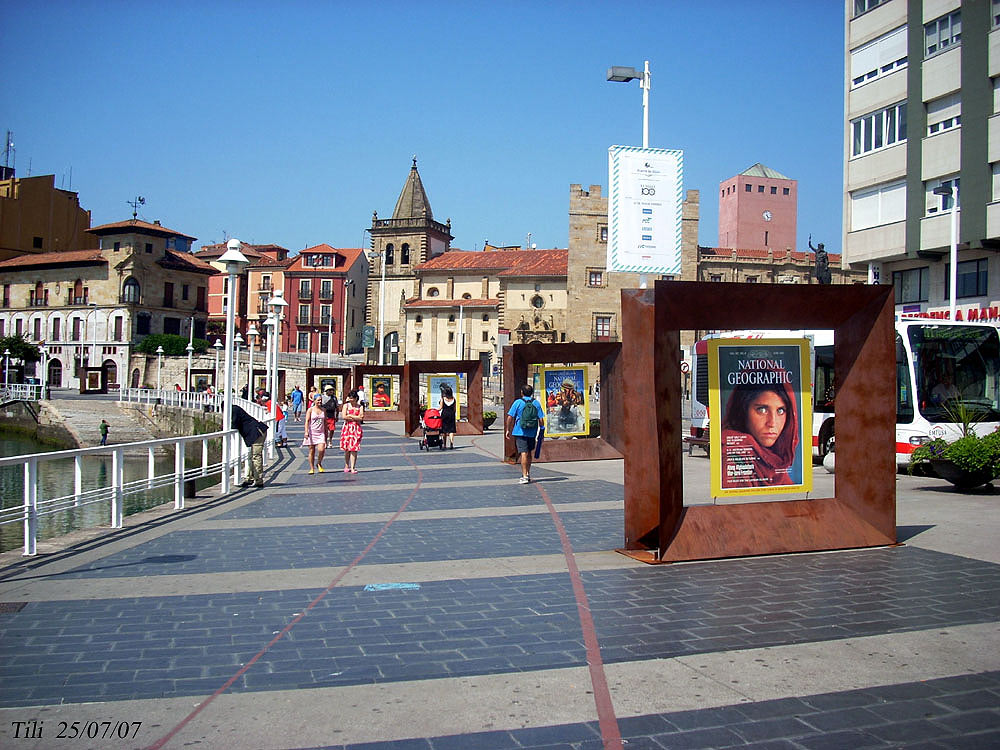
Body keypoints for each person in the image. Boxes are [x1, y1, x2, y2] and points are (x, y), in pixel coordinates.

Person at [720, 378, 799, 489]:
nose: (772, 423)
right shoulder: (734, 454)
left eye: (780, 411)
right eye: (762, 410)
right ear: (743, 411)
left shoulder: (776, 463)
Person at [505, 384, 545, 484]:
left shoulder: (518, 402)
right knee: (529, 452)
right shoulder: (536, 403)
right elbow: (541, 419)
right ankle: (528, 472)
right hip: (532, 431)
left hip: (520, 431)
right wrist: (542, 431)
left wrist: (508, 429)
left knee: (523, 453)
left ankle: (524, 476)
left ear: (521, 392)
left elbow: (510, 417)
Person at [231, 404, 268, 488]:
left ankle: (258, 480)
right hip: (256, 432)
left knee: (256, 456)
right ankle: (249, 478)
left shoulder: (234, 410)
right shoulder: (236, 409)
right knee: (252, 456)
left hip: (257, 433)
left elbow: (234, 424)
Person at [339, 389, 365, 473]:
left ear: (356, 398)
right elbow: (344, 416)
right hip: (347, 428)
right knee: (347, 448)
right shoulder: (346, 406)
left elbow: (361, 417)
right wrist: (354, 417)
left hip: (356, 428)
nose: (351, 400)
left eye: (352, 398)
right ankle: (347, 465)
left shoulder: (360, 406)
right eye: (350, 398)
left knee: (354, 448)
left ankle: (353, 467)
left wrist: (350, 415)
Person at [301, 394, 327, 474]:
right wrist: (306, 431)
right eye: (318, 400)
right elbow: (307, 421)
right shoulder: (310, 410)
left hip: (321, 432)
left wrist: (326, 432)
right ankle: (311, 468)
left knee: (321, 449)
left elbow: (325, 421)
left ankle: (319, 463)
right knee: (312, 450)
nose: (320, 401)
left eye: (320, 400)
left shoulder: (323, 410)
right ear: (314, 401)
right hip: (312, 432)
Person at [439, 384, 457, 449]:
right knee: (451, 430)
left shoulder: (443, 399)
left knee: (444, 430)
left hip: (444, 415)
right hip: (451, 415)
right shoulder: (454, 399)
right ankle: (451, 444)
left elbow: (440, 408)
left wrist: (434, 410)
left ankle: (444, 445)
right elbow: (455, 409)